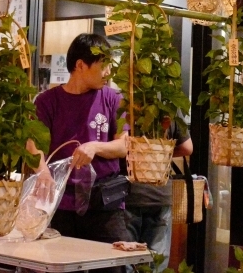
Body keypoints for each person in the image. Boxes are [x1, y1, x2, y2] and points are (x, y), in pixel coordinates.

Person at [29, 33, 132, 273]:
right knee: (59, 267)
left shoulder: (112, 98)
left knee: (112, 267)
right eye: (103, 66)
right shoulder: (47, 101)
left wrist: (95, 147)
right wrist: (43, 173)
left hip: (104, 202)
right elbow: (33, 144)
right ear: (80, 65)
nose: (107, 73)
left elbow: (124, 144)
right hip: (61, 203)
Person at [124, 122, 193, 271]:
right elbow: (187, 147)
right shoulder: (171, 105)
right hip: (160, 194)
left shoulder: (122, 102)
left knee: (125, 262)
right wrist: (159, 153)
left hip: (128, 194)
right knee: (156, 262)